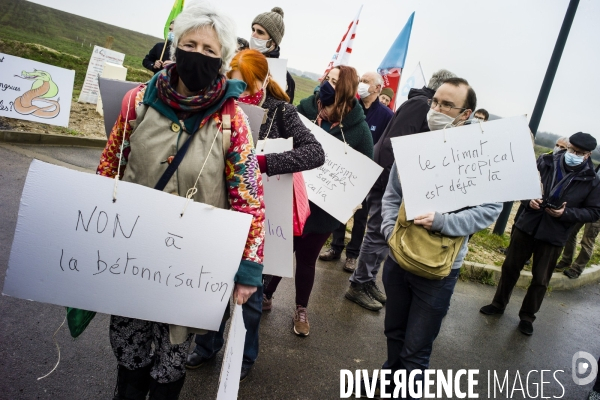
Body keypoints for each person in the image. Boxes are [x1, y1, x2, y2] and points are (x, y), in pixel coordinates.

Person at [96, 4, 265, 399]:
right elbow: (109, 168)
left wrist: (248, 270)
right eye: (191, 44)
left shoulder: (232, 121)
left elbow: (249, 199)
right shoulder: (138, 102)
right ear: (174, 48)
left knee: (171, 358)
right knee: (130, 351)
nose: (198, 55)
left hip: (190, 267)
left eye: (210, 50)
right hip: (131, 255)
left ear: (222, 59)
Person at [186, 49, 324, 379]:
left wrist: (261, 163)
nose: (242, 93)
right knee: (213, 283)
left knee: (251, 294)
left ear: (263, 80)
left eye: (247, 86)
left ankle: (244, 357)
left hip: (259, 217)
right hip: (219, 207)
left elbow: (315, 153)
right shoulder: (219, 103)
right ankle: (206, 346)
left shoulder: (282, 111)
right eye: (234, 84)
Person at [379, 78, 502, 395]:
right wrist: (389, 231)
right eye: (435, 102)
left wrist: (443, 222)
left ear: (466, 114)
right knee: (394, 331)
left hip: (438, 272)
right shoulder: (416, 146)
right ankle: (388, 382)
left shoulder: (479, 154)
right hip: (398, 257)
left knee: (416, 349)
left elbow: (489, 210)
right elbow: (392, 195)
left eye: (447, 105)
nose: (437, 109)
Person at [263, 65, 373, 337]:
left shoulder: (358, 128)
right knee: (282, 248)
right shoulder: (303, 109)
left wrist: (352, 198)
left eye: (336, 82)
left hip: (325, 209)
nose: (328, 84)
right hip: (291, 198)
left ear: (347, 89)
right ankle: (266, 294)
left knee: (307, 259)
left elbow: (364, 172)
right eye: (328, 79)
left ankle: (301, 308)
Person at [343, 70, 456, 311]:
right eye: (443, 99)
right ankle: (358, 283)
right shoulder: (420, 105)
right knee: (377, 232)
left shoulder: (423, 104)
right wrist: (394, 183)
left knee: (386, 234)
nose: (443, 106)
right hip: (388, 176)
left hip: (394, 176)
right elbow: (397, 143)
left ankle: (368, 279)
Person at [481, 132, 600, 336]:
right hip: (526, 226)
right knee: (510, 268)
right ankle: (498, 304)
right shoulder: (544, 161)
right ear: (568, 146)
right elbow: (522, 186)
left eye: (579, 153)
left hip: (554, 235)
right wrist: (530, 200)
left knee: (540, 280)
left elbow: (594, 211)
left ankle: (527, 317)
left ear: (587, 155)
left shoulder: (592, 180)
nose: (573, 154)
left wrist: (566, 213)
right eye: (572, 150)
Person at [319, 71, 393, 272]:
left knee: (361, 216)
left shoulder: (387, 116)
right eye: (360, 80)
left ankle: (352, 255)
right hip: (343, 168)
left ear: (378, 88)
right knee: (340, 210)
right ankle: (336, 247)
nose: (361, 84)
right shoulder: (351, 107)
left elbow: (386, 145)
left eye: (366, 81)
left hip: (367, 173)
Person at [250, 7, 296, 102]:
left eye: (260, 32)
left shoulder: (286, 80)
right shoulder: (239, 61)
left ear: (273, 41)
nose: (253, 35)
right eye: (253, 30)